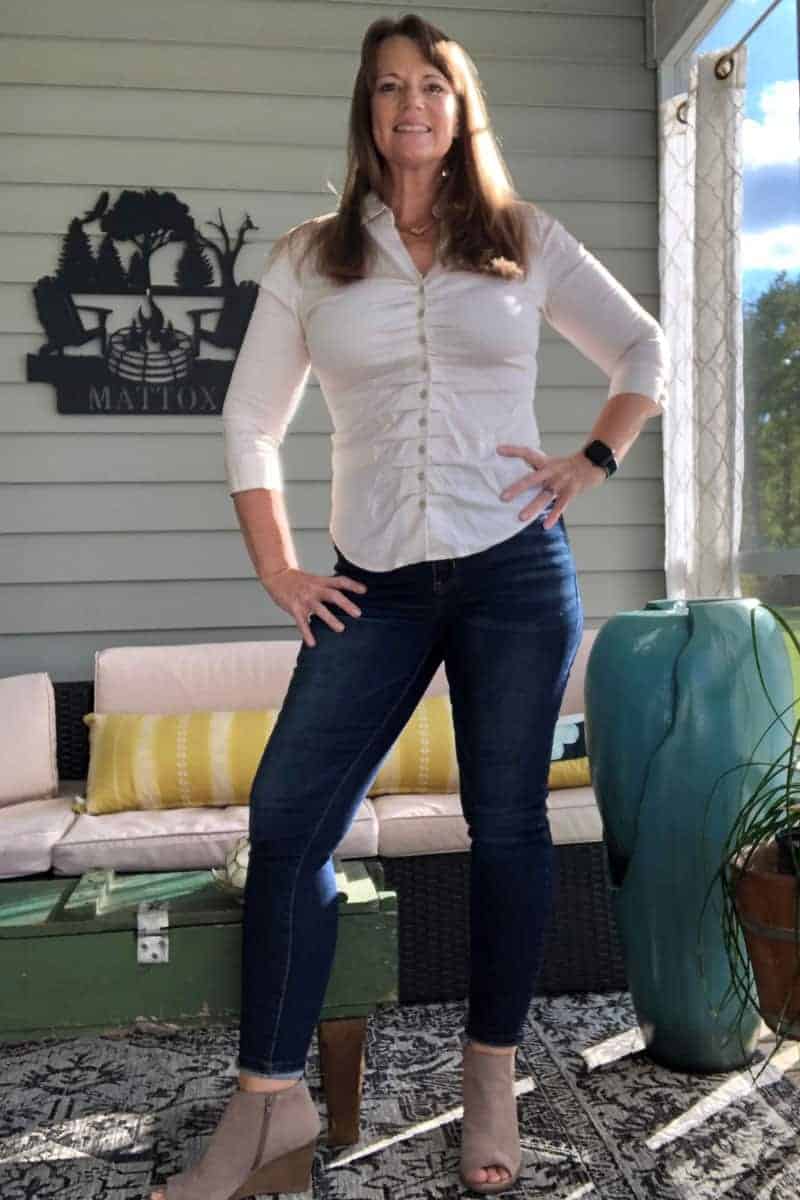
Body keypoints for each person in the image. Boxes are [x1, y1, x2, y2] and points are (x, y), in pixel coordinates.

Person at [150, 11, 669, 1200]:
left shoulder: (523, 239)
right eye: (386, 88)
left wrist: (588, 463)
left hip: (512, 575)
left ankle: (488, 1075)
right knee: (286, 823)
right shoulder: (307, 258)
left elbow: (641, 351)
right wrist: (281, 569)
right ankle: (267, 1109)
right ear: (366, 113)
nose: (409, 105)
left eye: (430, 84)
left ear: (460, 105)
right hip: (369, 585)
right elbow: (249, 424)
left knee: (508, 827)